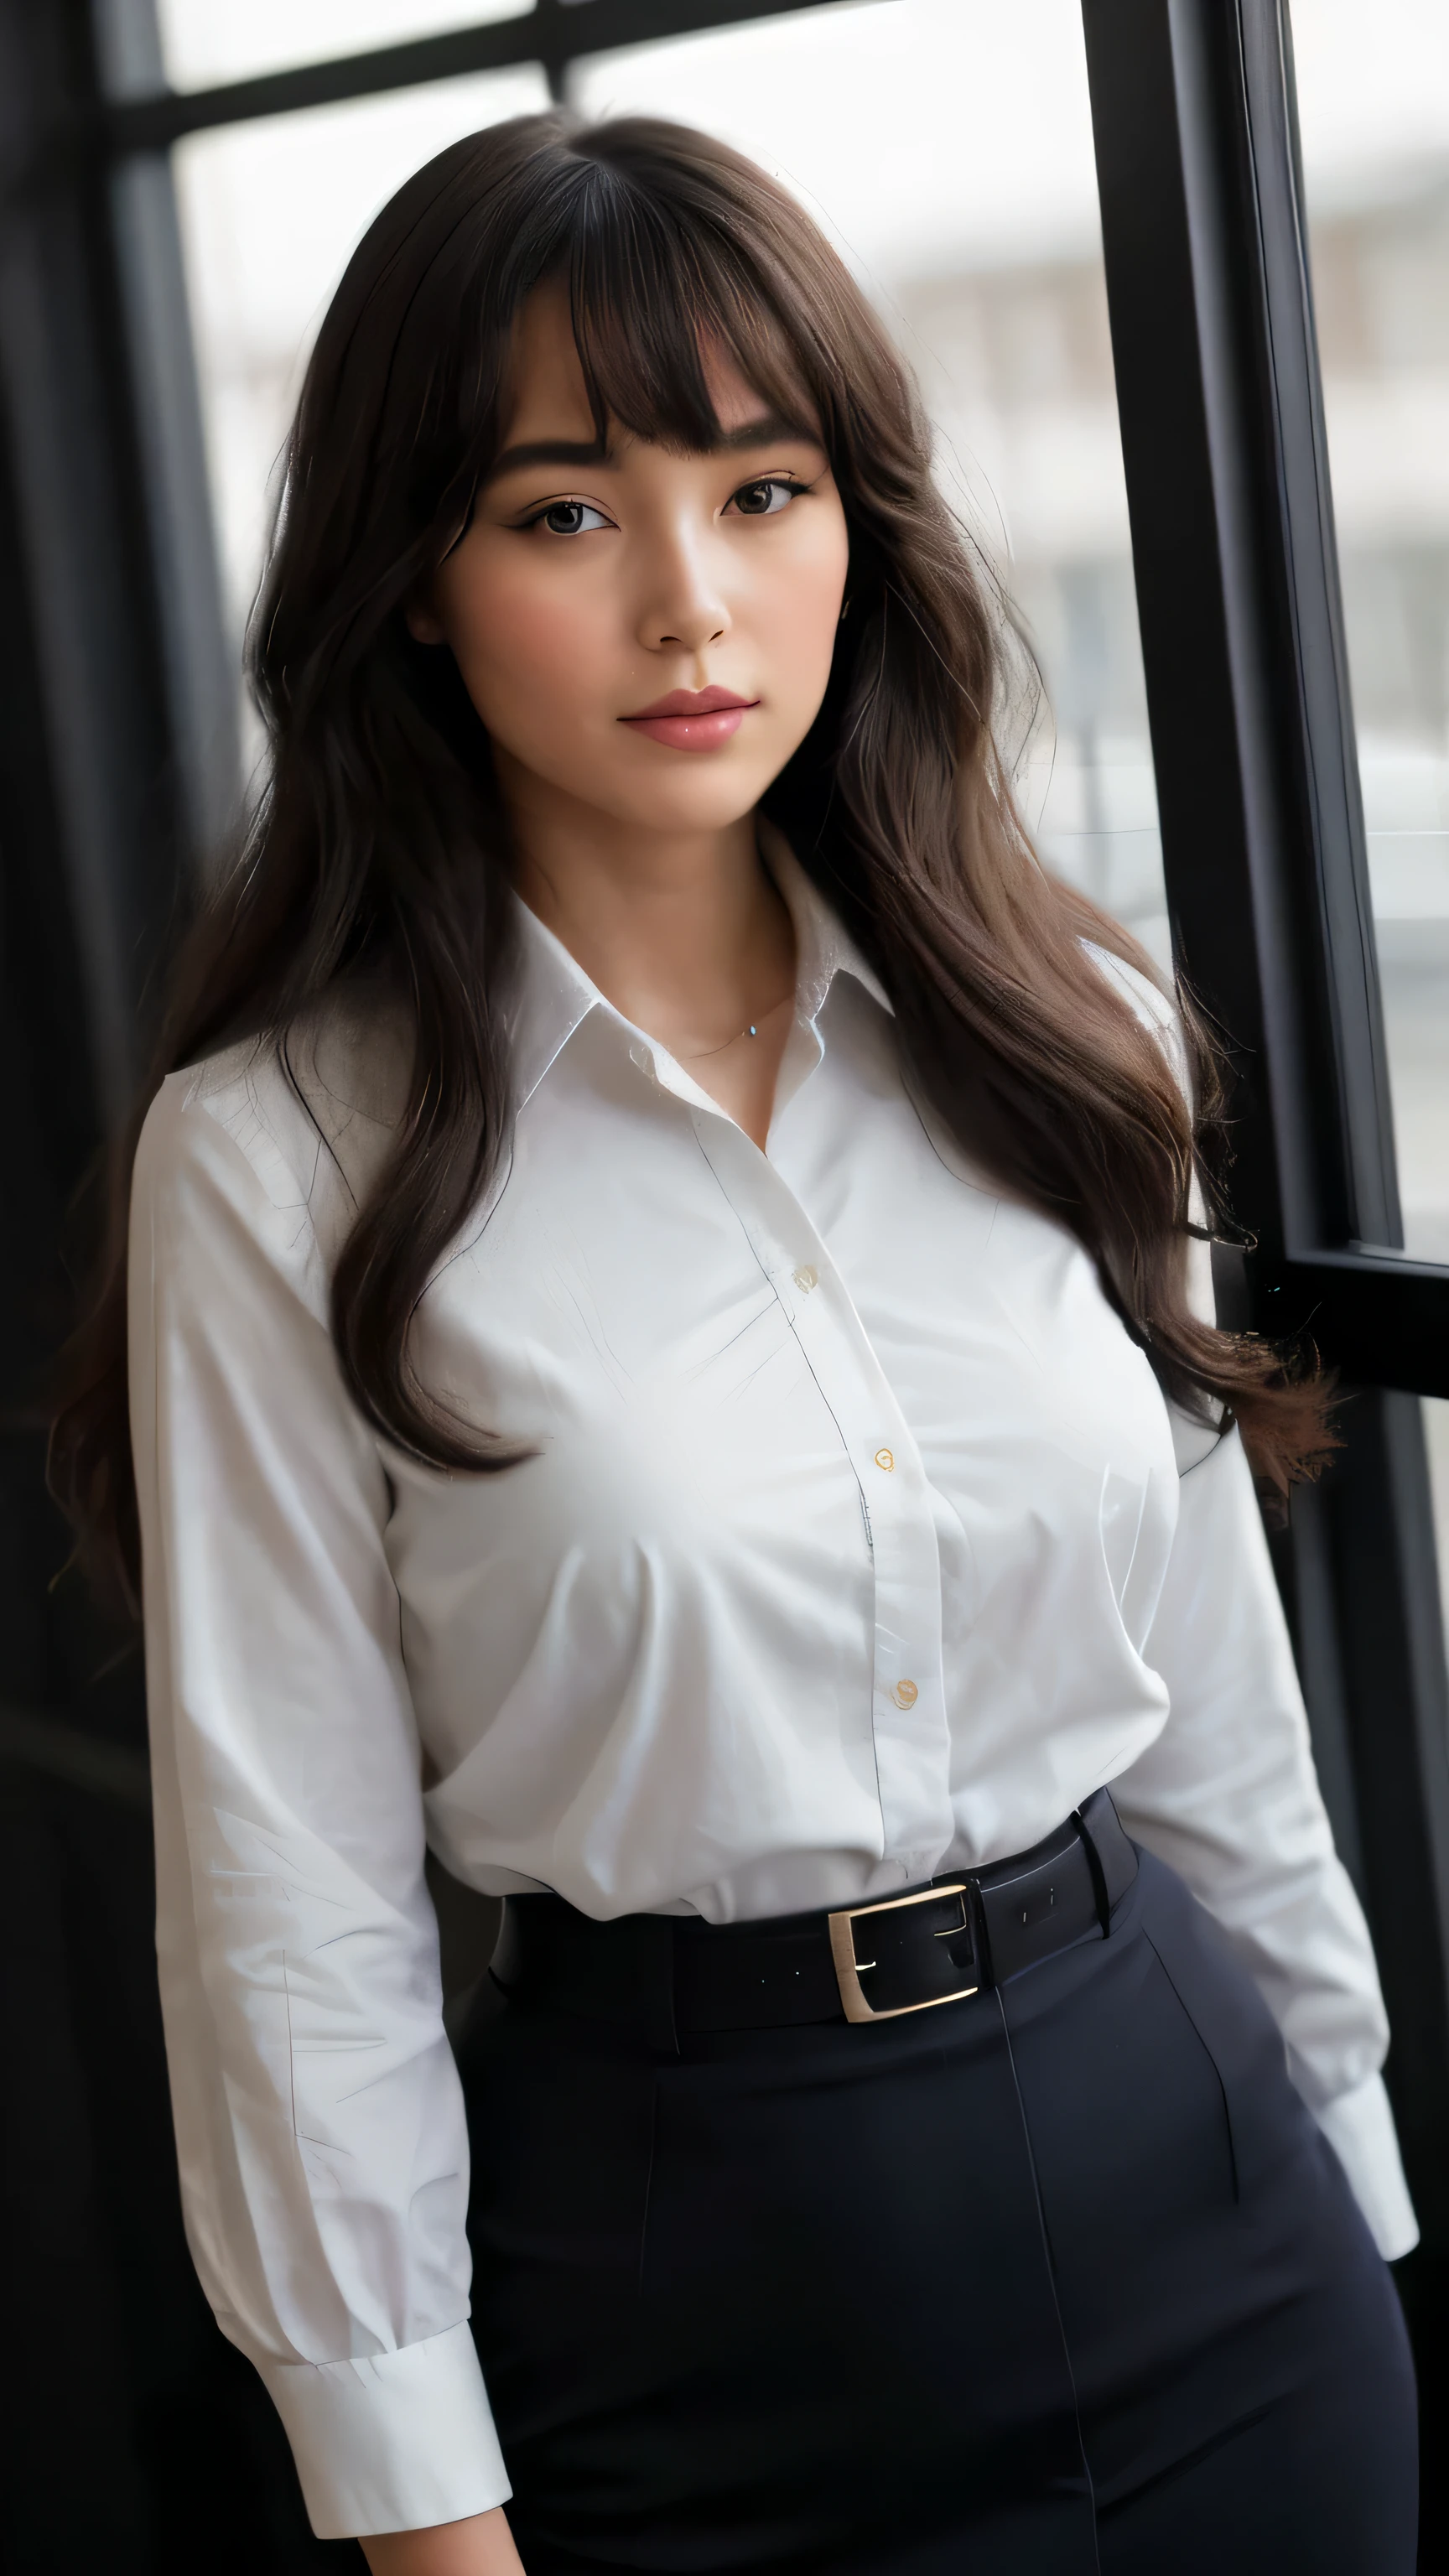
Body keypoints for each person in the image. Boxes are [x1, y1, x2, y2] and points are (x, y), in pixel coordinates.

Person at [52, 111, 1418, 2576]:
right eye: (566, 513)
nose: (694, 599)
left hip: (1208, 2208)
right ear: (414, 585)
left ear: (859, 533)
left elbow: (1217, 1703)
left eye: (763, 490)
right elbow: (291, 1910)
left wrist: (1372, 2198)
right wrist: (418, 2520)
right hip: (695, 2294)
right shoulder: (276, 1165)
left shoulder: (1071, 1025)